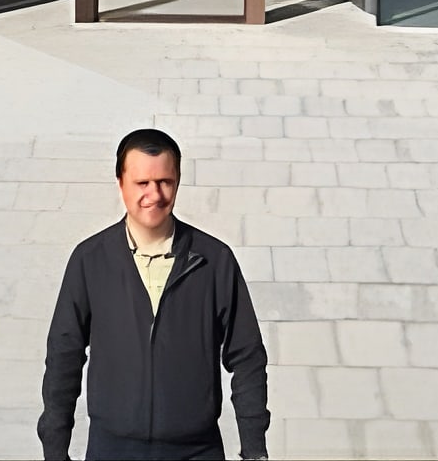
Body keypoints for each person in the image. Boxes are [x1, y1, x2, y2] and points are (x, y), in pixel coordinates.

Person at [39, 128, 270, 461]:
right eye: (142, 183)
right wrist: (54, 449)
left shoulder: (214, 260)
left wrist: (255, 451)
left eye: (164, 181)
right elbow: (64, 356)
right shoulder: (89, 260)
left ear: (177, 182)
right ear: (120, 183)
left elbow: (247, 357)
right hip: (112, 449)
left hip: (197, 450)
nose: (155, 194)